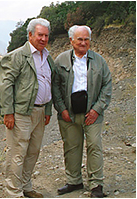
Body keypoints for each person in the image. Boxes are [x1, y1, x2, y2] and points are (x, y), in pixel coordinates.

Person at [52, 25, 112, 198]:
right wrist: (61, 108)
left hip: (92, 113)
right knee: (71, 147)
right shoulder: (61, 60)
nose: (83, 42)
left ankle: (96, 185)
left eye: (86, 39)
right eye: (80, 39)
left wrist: (97, 109)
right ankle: (74, 181)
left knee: (94, 146)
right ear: (71, 40)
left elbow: (107, 86)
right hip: (68, 114)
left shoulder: (99, 61)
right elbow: (55, 86)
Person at [0, 18, 55, 198]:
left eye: (46, 35)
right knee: (17, 152)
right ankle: (14, 192)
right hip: (21, 113)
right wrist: (8, 112)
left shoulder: (47, 57)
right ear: (30, 35)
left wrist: (47, 110)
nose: (43, 39)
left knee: (33, 151)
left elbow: (49, 84)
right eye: (40, 35)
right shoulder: (17, 56)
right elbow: (5, 85)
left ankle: (26, 186)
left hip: (40, 111)